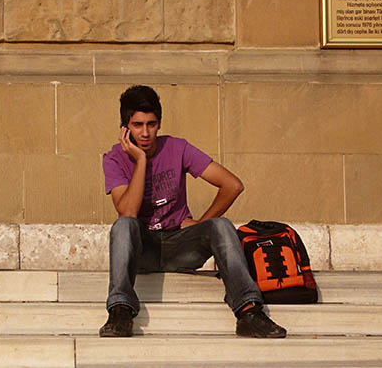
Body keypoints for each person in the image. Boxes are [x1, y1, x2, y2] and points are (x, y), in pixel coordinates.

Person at [99, 85, 286, 338]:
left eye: (151, 124)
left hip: (181, 246)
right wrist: (141, 160)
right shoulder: (113, 158)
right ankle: (120, 311)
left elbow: (232, 185)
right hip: (144, 250)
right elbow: (128, 213)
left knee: (221, 224)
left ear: (159, 123)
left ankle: (249, 312)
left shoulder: (177, 148)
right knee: (122, 226)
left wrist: (201, 224)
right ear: (125, 128)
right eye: (137, 124)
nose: (145, 133)